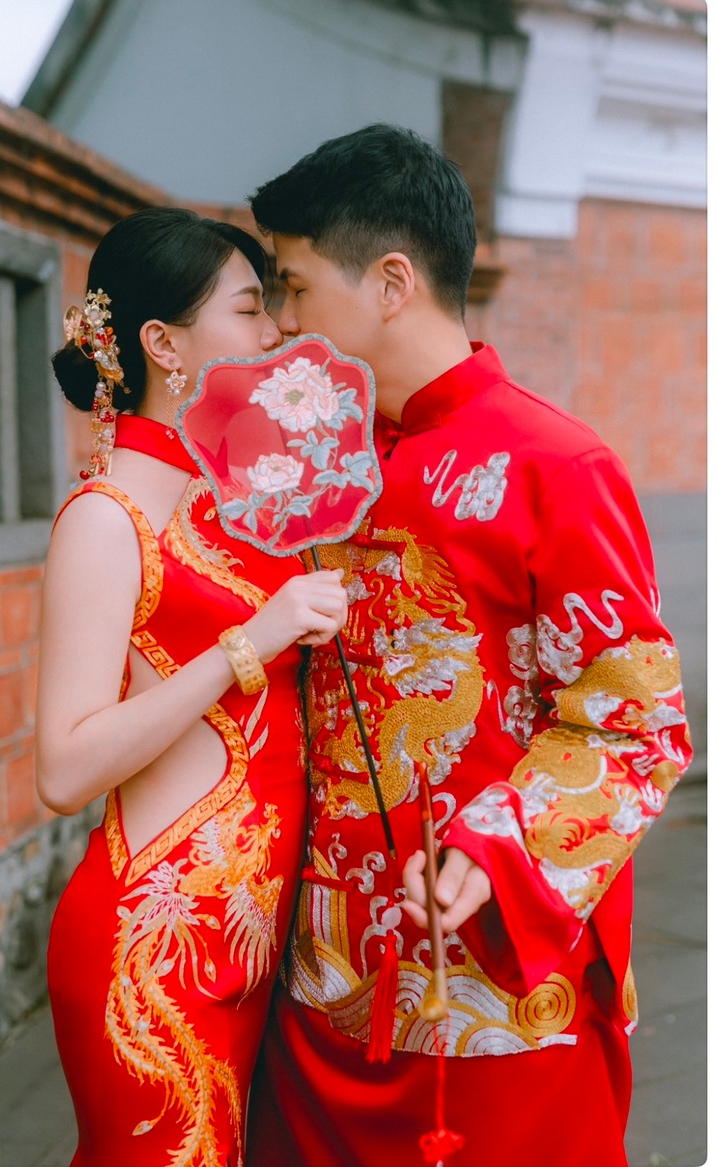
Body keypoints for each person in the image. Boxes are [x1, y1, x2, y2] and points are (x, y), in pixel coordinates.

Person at [244, 124, 692, 1167]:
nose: (282, 320)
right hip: (325, 974)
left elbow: (633, 723)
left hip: (486, 980)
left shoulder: (553, 466)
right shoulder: (313, 468)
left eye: (296, 286)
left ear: (391, 282)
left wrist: (495, 850)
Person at [36, 206, 348, 1167]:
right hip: (155, 946)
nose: (276, 328)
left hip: (257, 935)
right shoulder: (106, 516)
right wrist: (245, 645)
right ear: (164, 343)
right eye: (249, 308)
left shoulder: (242, 502)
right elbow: (63, 766)